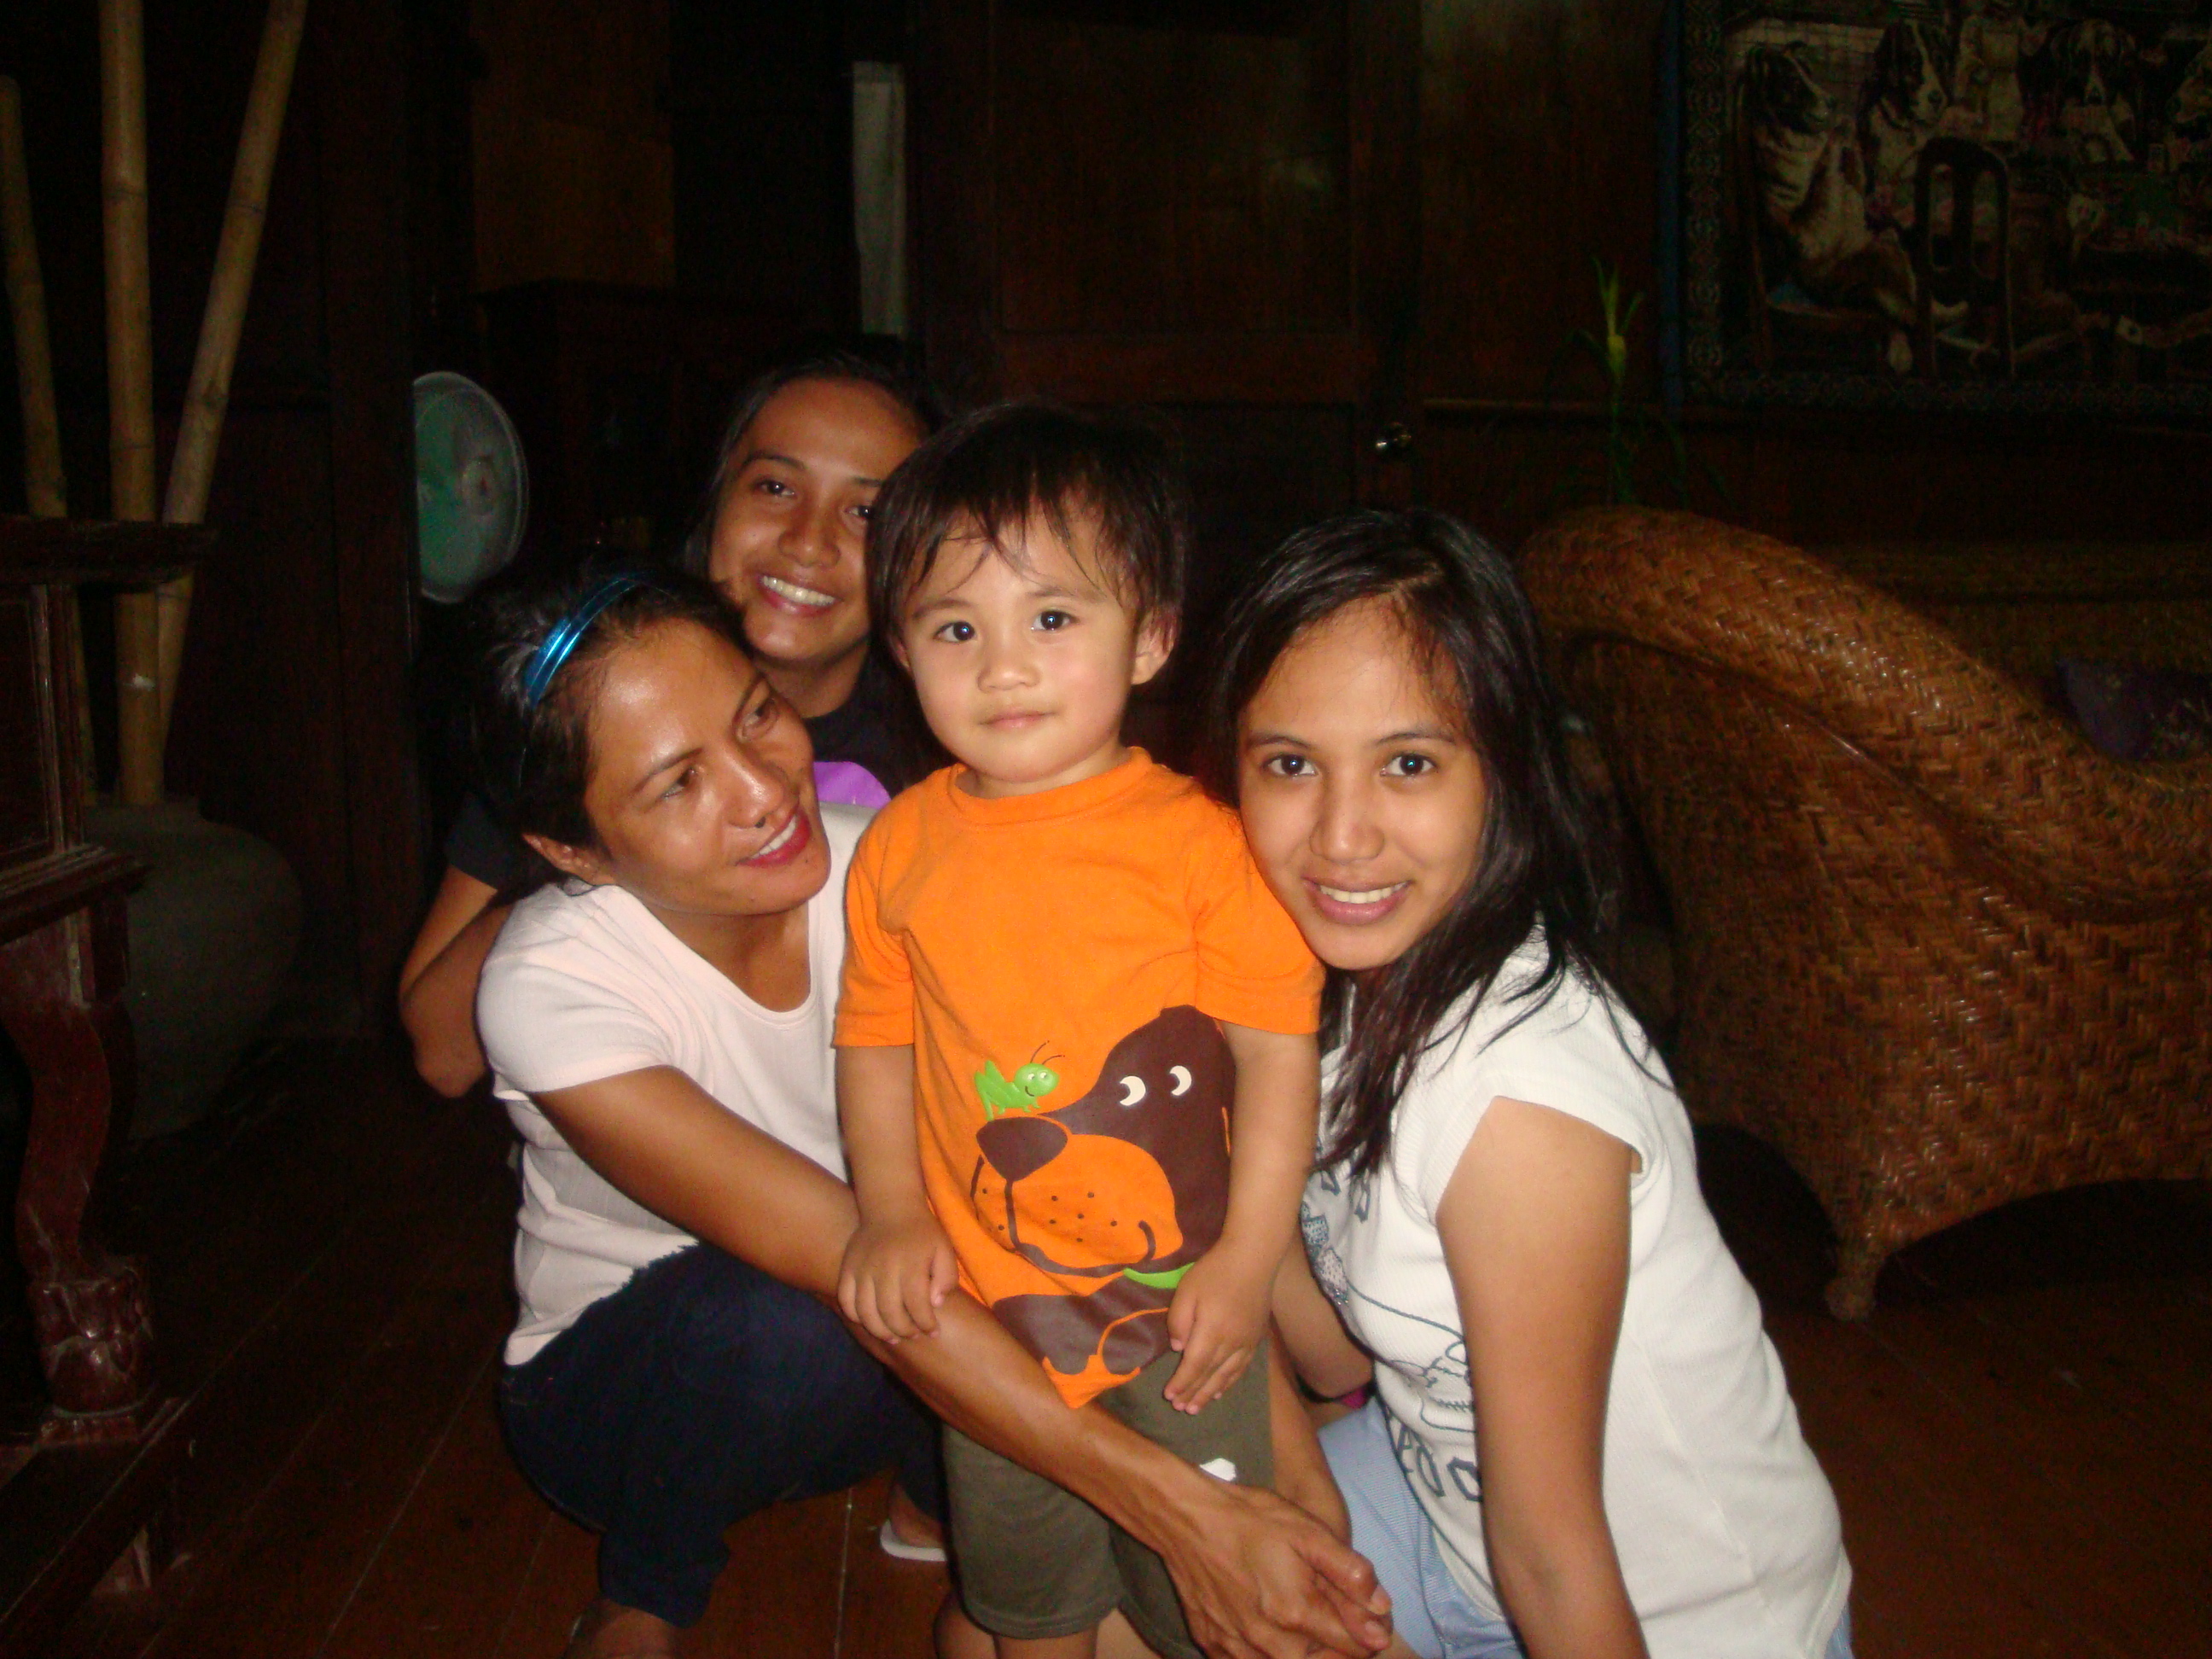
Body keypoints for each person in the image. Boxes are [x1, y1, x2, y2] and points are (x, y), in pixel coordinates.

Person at [465, 558, 1391, 1659]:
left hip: (916, 1337)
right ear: (572, 850)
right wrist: (1192, 1517)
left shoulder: (898, 864)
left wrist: (1282, 1462)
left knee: (982, 1273)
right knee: (819, 1302)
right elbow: (843, 1253)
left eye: (756, 714)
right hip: (633, 1392)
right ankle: (648, 1589)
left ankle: (940, 1511)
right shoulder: (549, 985)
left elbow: (1154, 1152)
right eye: (679, 784)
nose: (762, 792)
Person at [1194, 509, 1853, 1659]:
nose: (1341, 837)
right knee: (1106, 1610)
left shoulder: (1518, 1109)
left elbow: (1553, 1558)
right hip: (1444, 1513)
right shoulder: (1340, 985)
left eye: (1408, 763)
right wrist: (1239, 1136)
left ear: (1503, 772)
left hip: (1657, 1614)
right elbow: (1343, 1358)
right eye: (1290, 764)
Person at [833, 402, 1325, 1659]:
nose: (1004, 667)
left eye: (1052, 619)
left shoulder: (1205, 849)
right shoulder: (899, 847)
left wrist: (1247, 1262)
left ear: (1150, 637)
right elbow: (876, 1041)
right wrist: (889, 1211)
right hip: (994, 1321)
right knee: (1029, 1609)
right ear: (902, 649)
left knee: (1201, 1608)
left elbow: (1278, 1058)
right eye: (957, 628)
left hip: (1186, 1312)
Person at [399, 349, 940, 1098]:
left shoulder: (956, 733)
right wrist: (610, 856)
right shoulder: (582, 708)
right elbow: (444, 1054)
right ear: (715, 498)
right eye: (775, 487)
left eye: (867, 512)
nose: (808, 541)